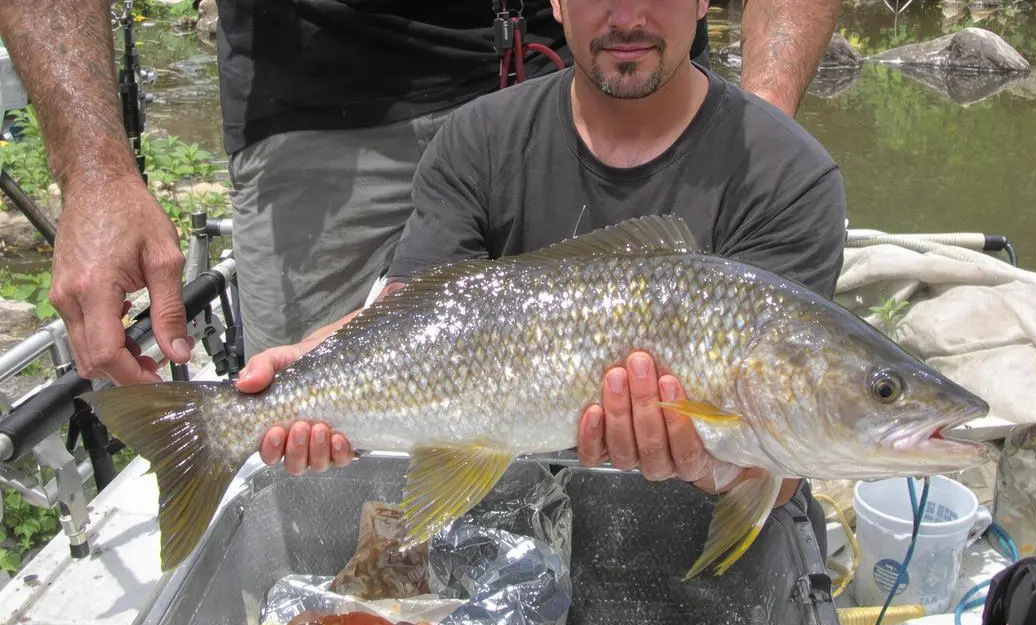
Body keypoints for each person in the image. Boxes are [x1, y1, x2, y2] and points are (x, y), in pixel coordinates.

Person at [235, 0, 848, 548]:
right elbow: (417, 310)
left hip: (681, 537)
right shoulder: (478, 136)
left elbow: (785, 467)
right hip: (506, 516)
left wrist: (728, 468)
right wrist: (319, 362)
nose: (628, 16)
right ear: (554, 2)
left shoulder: (790, 173)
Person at [0, 0, 840, 386]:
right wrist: (97, 169)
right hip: (332, 107)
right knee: (317, 443)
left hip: (579, 78)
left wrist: (752, 137)